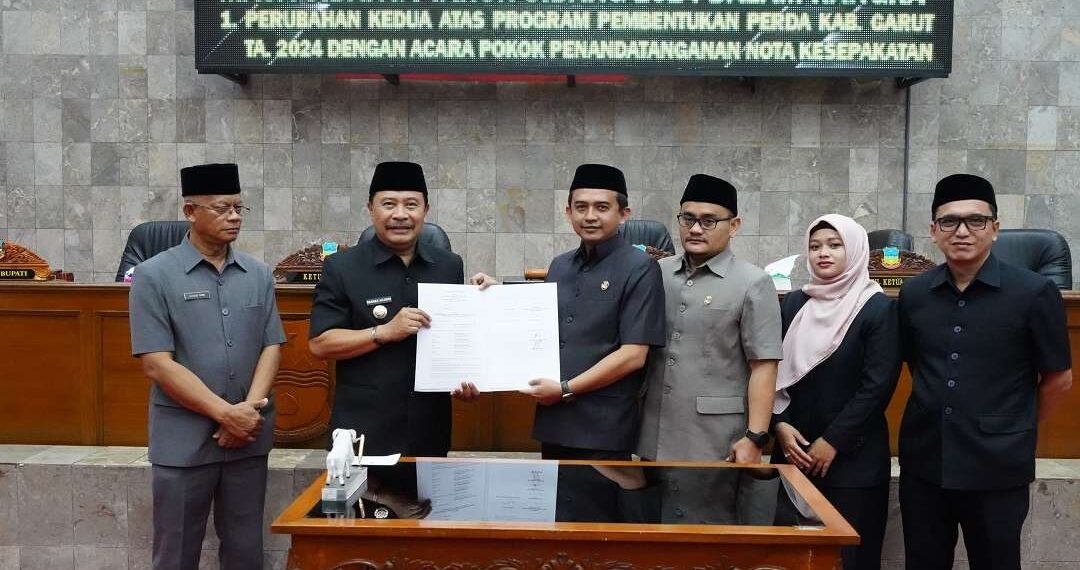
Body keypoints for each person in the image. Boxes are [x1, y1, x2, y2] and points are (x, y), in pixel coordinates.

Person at [898, 174, 1073, 570]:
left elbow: (1059, 379)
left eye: (976, 221)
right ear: (933, 231)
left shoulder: (1034, 292)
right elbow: (916, 364)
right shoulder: (913, 295)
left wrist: (1016, 425)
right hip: (926, 463)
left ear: (995, 228)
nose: (962, 231)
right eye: (949, 221)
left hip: (998, 467)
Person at [129, 163, 286, 570]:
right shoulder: (152, 275)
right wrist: (226, 414)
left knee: (245, 551)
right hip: (183, 441)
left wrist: (247, 413)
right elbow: (157, 364)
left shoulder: (258, 273)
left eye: (238, 208)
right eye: (221, 209)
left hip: (247, 439)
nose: (233, 217)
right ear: (190, 212)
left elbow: (272, 345)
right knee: (176, 552)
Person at [308, 161, 481, 515]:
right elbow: (320, 344)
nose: (400, 214)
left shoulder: (449, 265)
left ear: (426, 210)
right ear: (371, 208)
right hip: (364, 436)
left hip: (429, 432)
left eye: (411, 204)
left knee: (428, 541)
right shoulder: (342, 268)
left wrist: (485, 301)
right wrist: (383, 332)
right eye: (389, 204)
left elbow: (455, 337)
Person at [636, 174, 782, 524]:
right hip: (653, 433)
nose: (696, 229)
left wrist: (755, 437)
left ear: (734, 225)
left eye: (708, 220)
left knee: (705, 541)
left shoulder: (753, 282)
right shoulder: (657, 272)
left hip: (716, 441)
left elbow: (764, 365)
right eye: (688, 218)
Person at [772, 214, 901, 570]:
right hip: (793, 455)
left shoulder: (878, 308)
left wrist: (834, 440)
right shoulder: (796, 303)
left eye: (834, 245)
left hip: (852, 463)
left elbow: (877, 386)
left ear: (856, 250)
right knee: (791, 557)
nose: (822, 253)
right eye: (815, 246)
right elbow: (774, 371)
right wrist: (779, 425)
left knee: (849, 561)